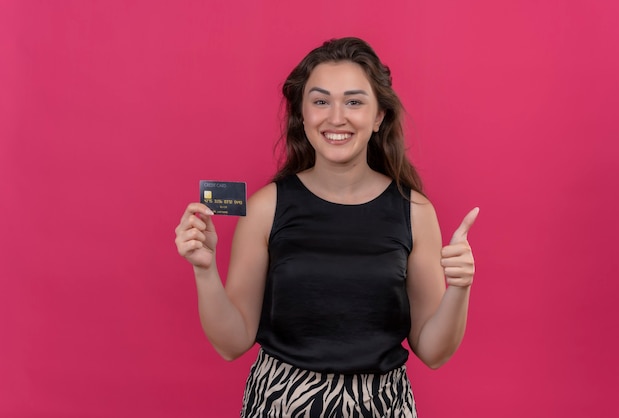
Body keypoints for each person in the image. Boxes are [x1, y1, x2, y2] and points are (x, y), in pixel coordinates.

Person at [175, 37, 479, 417]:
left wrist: (460, 289)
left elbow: (433, 352)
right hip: (280, 404)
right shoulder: (266, 206)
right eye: (320, 101)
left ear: (379, 116)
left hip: (382, 407)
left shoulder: (415, 211)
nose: (337, 117)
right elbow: (231, 343)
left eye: (354, 101)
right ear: (302, 114)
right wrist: (204, 270)